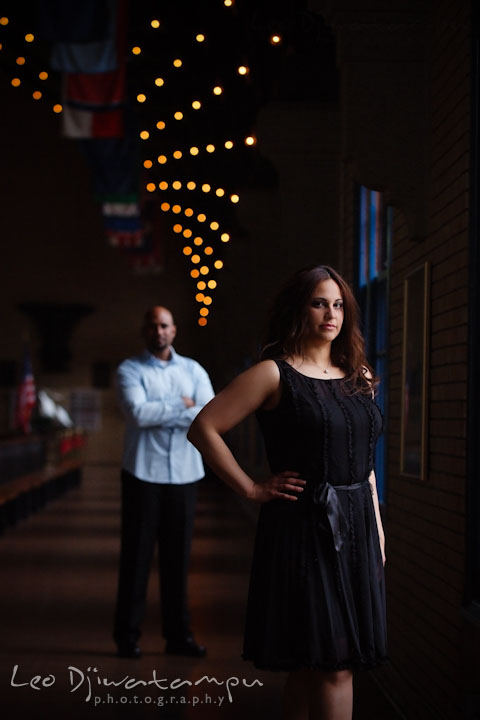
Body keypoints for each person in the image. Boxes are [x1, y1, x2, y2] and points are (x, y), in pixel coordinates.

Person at [188, 265, 387, 720]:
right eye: (319, 302)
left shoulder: (360, 374)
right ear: (299, 308)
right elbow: (204, 428)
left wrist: (376, 530)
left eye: (338, 304)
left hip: (358, 528)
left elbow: (365, 462)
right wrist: (251, 488)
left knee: (309, 663)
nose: (330, 313)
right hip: (303, 528)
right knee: (334, 665)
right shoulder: (273, 374)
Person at [113, 305, 214, 659]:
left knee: (178, 559)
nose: (159, 331)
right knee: (136, 558)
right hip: (142, 474)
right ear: (145, 330)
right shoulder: (129, 370)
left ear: (174, 330)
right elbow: (138, 414)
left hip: (185, 475)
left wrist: (169, 409)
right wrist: (183, 405)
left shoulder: (194, 370)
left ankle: (178, 636)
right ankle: (127, 636)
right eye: (153, 325)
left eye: (165, 325)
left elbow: (208, 414)